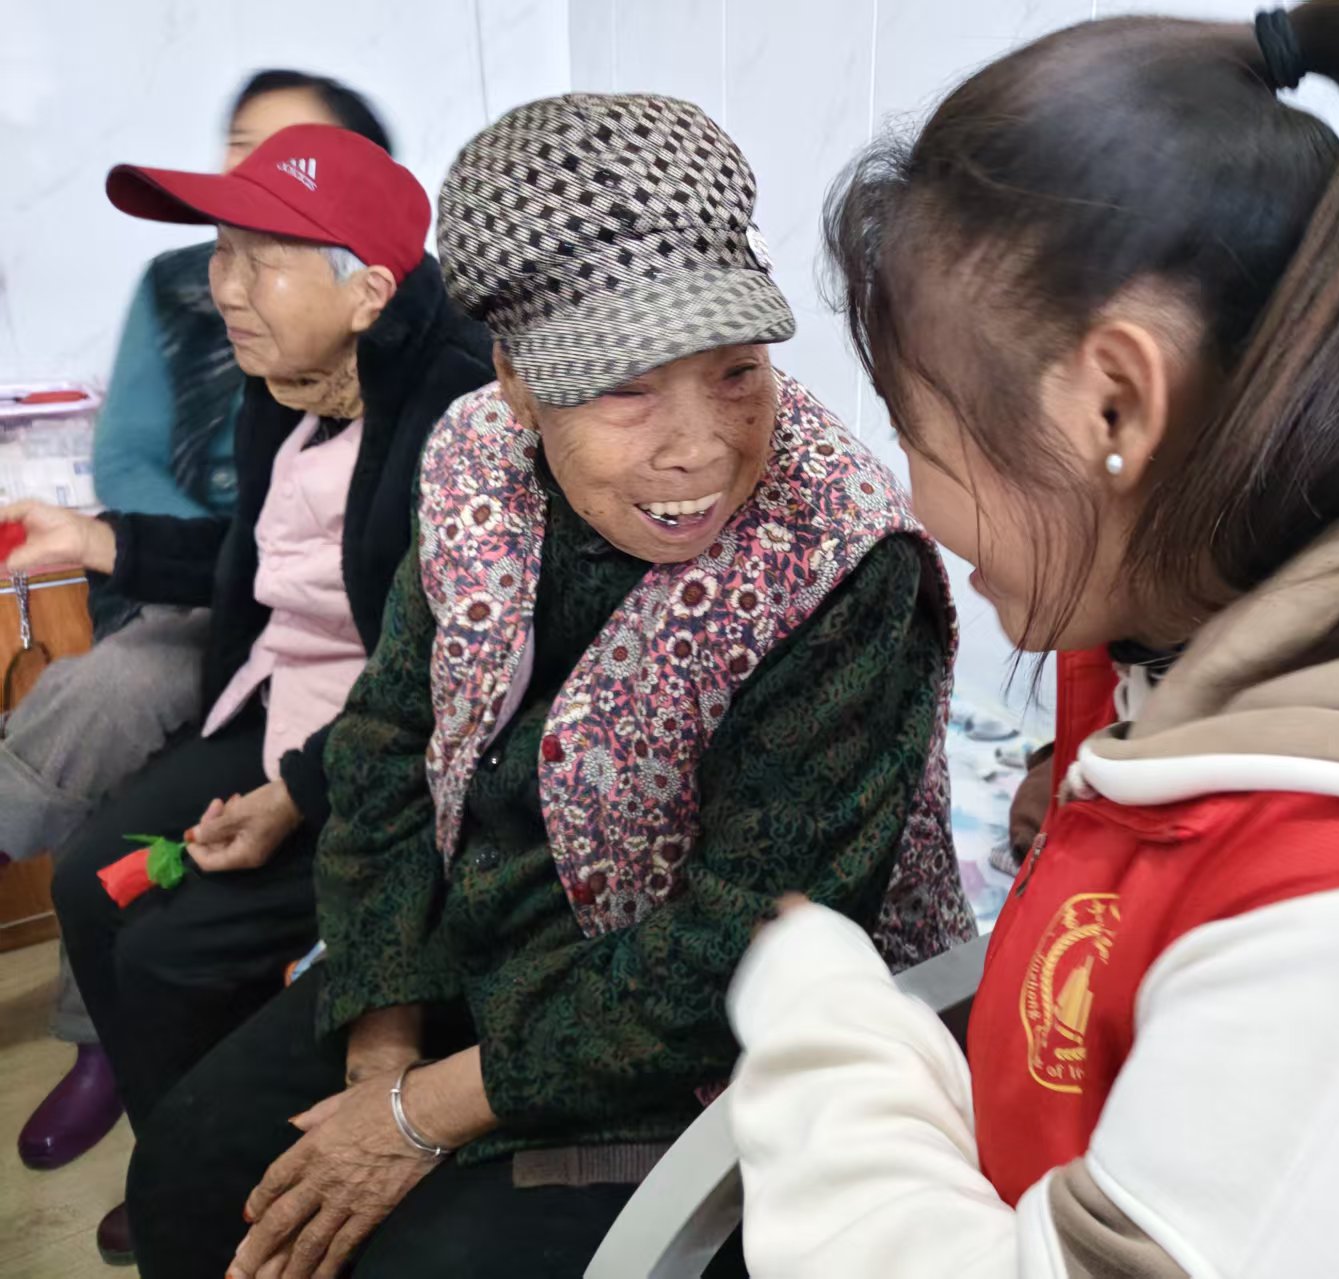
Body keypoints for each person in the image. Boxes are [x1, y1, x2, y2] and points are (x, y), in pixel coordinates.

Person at [725, 5, 1339, 1277]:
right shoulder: (1195, 633)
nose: (913, 497)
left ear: (1113, 405)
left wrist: (818, 1014)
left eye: (920, 434)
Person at [121, 92, 974, 1279]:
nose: (700, 446)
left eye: (736, 371)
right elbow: (387, 745)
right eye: (626, 387)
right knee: (189, 1172)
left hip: (719, 1029)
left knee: (420, 1263)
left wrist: (421, 1112)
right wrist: (382, 1045)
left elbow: (741, 942)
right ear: (516, 381)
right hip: (485, 954)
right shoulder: (473, 455)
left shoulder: (841, 563)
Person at [2, 121, 493, 1264]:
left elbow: (445, 676)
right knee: (88, 879)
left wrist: (297, 794)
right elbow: (258, 564)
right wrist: (105, 540)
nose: (224, 286)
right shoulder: (287, 380)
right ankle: (170, 1141)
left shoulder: (459, 412)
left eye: (261, 259)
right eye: (221, 251)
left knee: (171, 951)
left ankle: (218, 1166)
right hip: (282, 700)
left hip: (384, 757)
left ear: (368, 292)